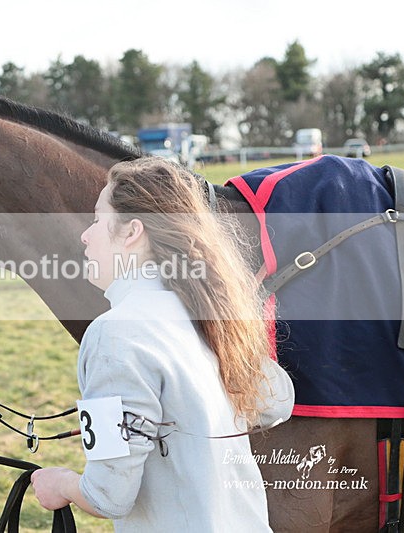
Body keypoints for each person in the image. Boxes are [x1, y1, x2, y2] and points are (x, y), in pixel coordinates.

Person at [30, 158, 294, 531]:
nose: (85, 236)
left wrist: (62, 485)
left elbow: (108, 494)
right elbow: (276, 403)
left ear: (132, 231)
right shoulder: (208, 312)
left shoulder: (113, 334)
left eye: (97, 220)